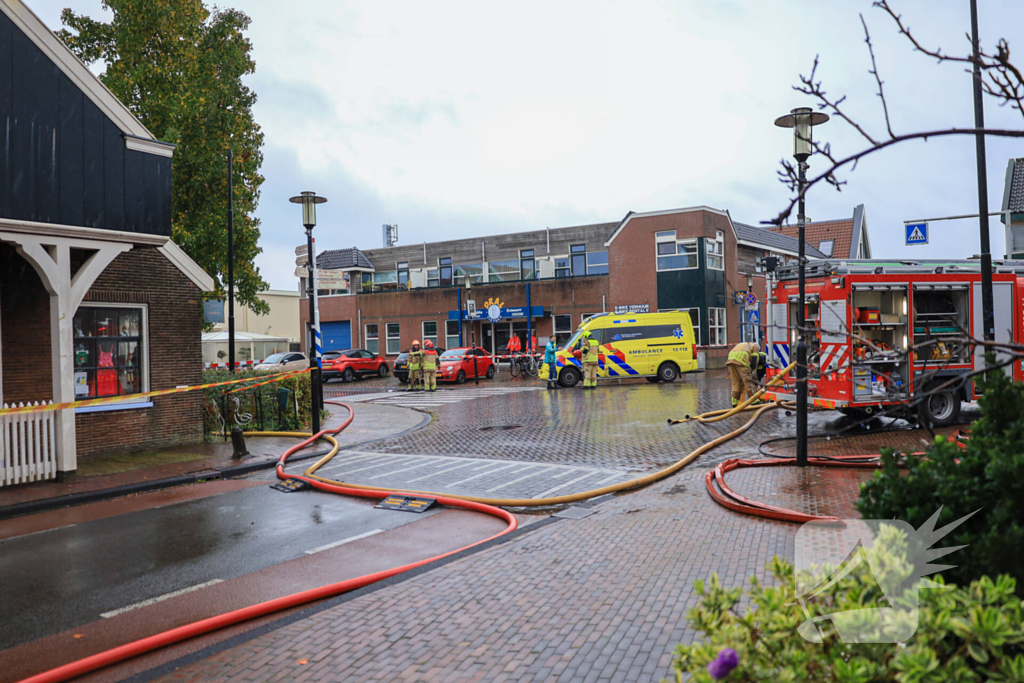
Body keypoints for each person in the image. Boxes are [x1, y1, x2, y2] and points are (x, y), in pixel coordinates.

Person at [726, 341, 760, 407]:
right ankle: (754, 401)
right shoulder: (755, 347)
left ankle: (735, 402)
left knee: (735, 382)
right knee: (748, 382)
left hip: (730, 361)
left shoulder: (744, 344)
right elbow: (754, 361)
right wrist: (753, 372)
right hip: (742, 361)